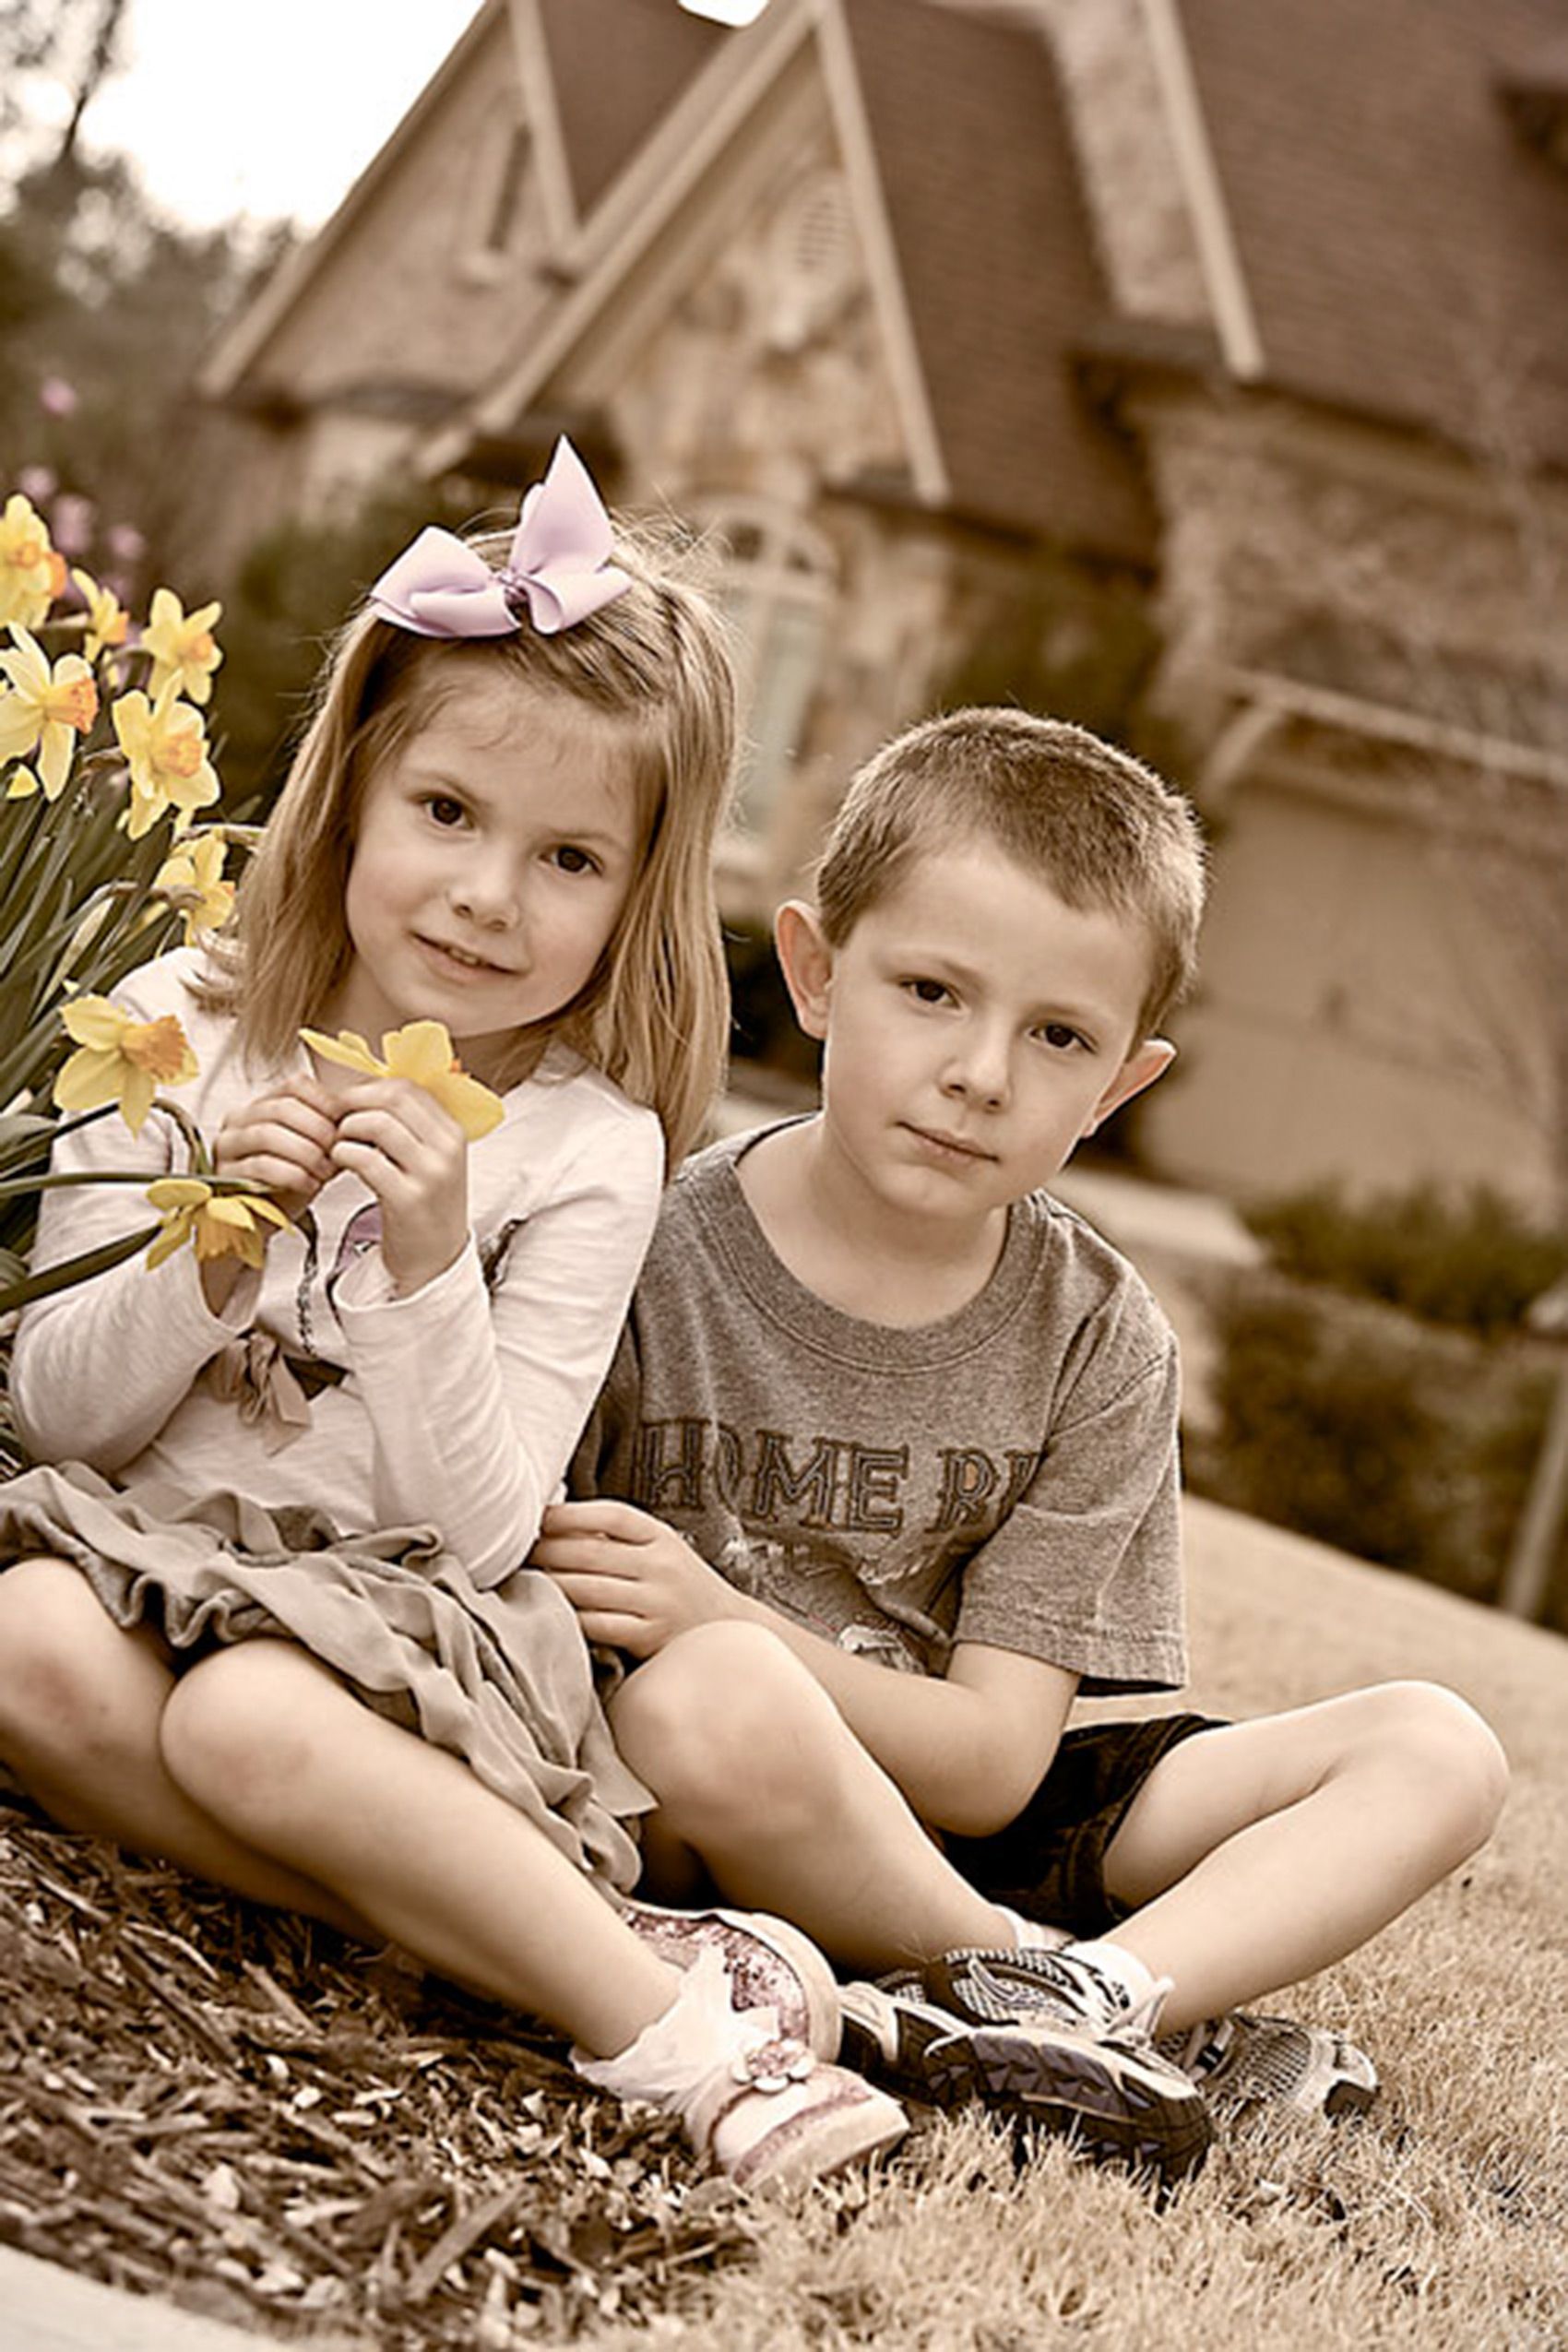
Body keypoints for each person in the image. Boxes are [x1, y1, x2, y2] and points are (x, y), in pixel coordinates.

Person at [0, 441, 907, 2189]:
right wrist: (211, 1262)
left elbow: (485, 1531)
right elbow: (59, 1418)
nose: (492, 894)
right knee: (22, 1643)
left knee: (250, 1720)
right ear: (349, 790)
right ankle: (535, 1944)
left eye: (569, 856)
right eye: (446, 816)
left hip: (392, 1630)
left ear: (639, 890)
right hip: (144, 1556)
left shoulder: (583, 1143)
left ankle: (701, 2057)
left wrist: (424, 1269)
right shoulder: (178, 1023)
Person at [536, 706, 1510, 2189]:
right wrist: (710, 1641)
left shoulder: (1100, 1335)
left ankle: (1083, 2000)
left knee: (1439, 1745)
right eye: (931, 989)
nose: (981, 1071)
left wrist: (724, 1612)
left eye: (1058, 1035)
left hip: (969, 1797)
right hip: (712, 1781)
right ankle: (1070, 1994)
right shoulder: (642, 1238)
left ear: (1122, 1081)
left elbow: (998, 1764)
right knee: (706, 1701)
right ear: (813, 971)